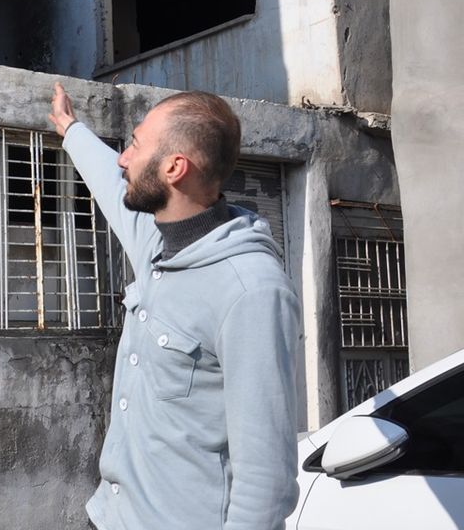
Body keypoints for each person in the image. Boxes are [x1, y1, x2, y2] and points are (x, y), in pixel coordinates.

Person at [48, 82, 301, 530]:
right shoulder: (157, 242)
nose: (123, 158)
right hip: (113, 517)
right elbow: (109, 180)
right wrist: (71, 129)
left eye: (135, 145)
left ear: (174, 167)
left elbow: (266, 480)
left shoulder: (251, 291)